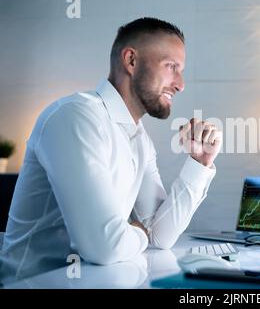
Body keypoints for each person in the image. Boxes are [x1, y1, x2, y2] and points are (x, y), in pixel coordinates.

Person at [0, 17, 222, 283]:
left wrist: (199, 163)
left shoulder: (139, 139)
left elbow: (161, 236)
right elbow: (103, 246)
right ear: (131, 61)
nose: (180, 83)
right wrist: (140, 233)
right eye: (171, 67)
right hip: (33, 284)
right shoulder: (75, 117)